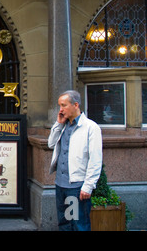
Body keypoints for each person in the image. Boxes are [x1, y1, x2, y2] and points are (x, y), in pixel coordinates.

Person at [48, 90, 102, 231]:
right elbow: (51, 144)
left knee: (79, 224)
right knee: (64, 223)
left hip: (77, 186)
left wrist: (88, 186)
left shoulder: (91, 128)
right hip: (61, 184)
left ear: (76, 105)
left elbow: (95, 160)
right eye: (60, 105)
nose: (61, 110)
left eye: (64, 105)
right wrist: (58, 124)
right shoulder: (63, 125)